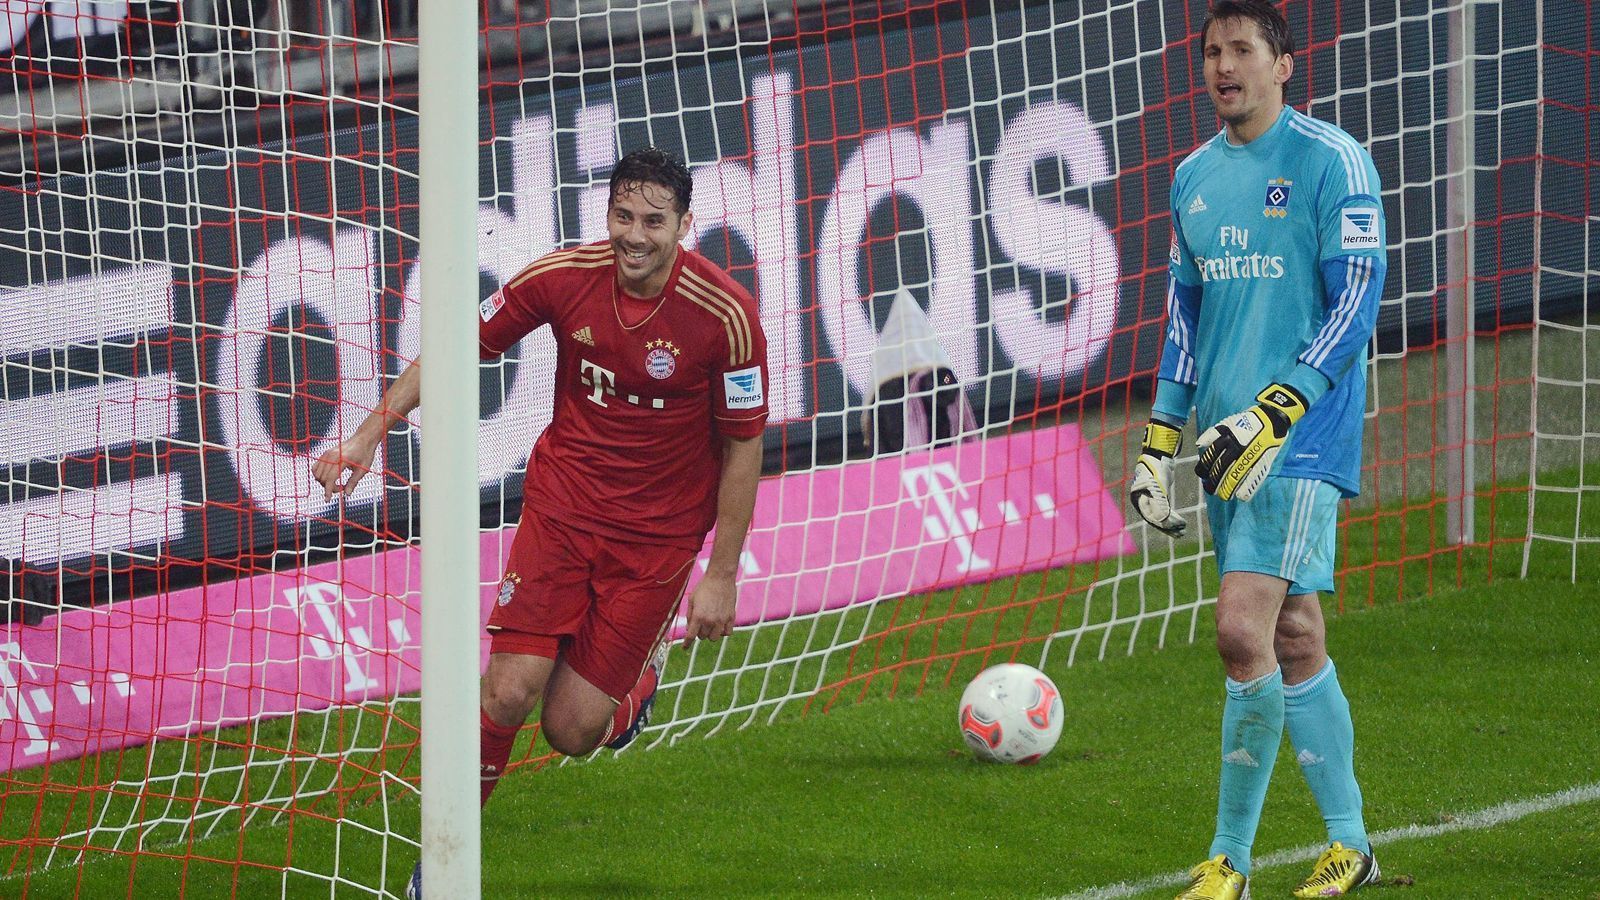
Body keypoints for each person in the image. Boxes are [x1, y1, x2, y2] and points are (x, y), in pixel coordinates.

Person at [311, 147, 768, 899]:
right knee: (507, 691)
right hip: (563, 510)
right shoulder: (563, 275)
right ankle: (446, 863)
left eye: (654, 221)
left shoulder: (727, 318)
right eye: (623, 215)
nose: (635, 234)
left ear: (684, 226)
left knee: (572, 731)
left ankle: (638, 672)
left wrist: (720, 573)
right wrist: (368, 434)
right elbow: (459, 348)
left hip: (656, 540)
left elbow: (744, 443)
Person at [1127, 2, 1387, 898]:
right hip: (1223, 443)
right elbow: (1185, 320)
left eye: (1242, 49)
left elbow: (1357, 299)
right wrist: (1162, 439)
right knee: (1295, 634)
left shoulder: (1331, 159)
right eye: (1210, 52)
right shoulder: (1193, 178)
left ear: (1284, 63)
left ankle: (1227, 863)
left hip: (1298, 440)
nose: (1222, 66)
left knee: (1240, 633)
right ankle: (1350, 843)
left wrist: (1279, 411)